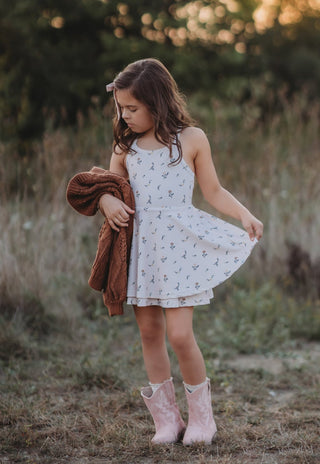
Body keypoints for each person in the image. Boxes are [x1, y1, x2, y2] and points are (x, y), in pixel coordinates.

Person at [99, 58, 263, 446]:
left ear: (158, 102)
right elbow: (108, 186)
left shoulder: (191, 139)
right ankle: (167, 421)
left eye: (133, 108)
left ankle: (202, 420)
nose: (125, 115)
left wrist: (244, 213)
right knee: (150, 331)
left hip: (179, 252)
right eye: (121, 108)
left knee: (180, 335)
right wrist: (106, 201)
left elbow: (213, 191)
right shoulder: (125, 146)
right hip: (142, 250)